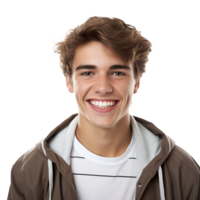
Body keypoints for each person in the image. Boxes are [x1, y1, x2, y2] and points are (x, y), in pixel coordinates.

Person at [7, 16, 200, 200]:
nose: (103, 87)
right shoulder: (30, 170)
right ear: (69, 83)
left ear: (137, 82)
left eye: (117, 72)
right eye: (88, 72)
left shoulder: (182, 170)